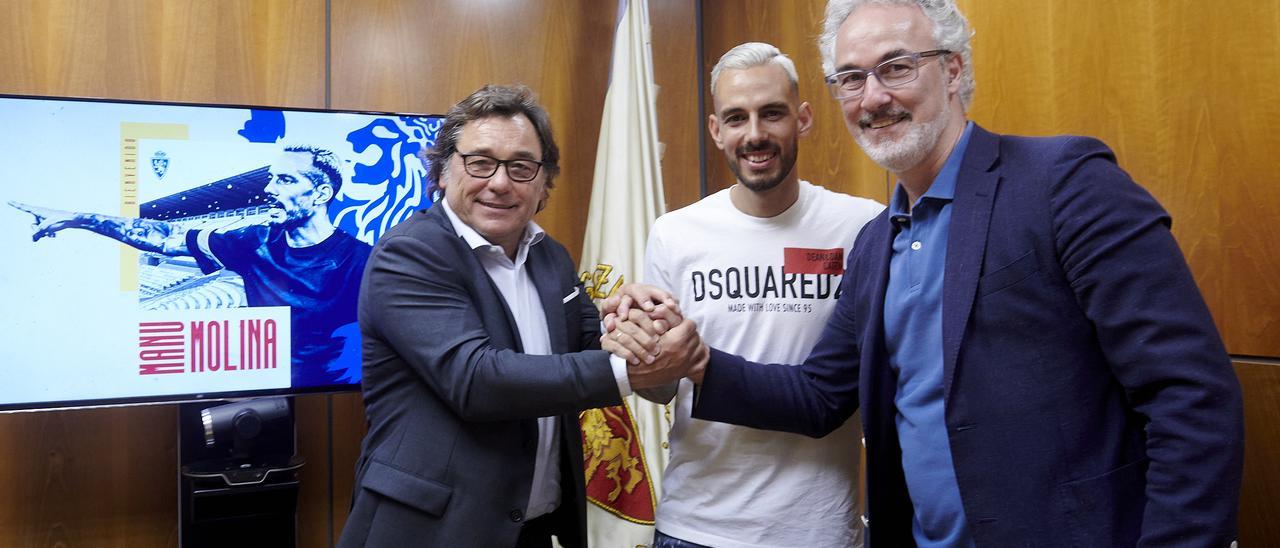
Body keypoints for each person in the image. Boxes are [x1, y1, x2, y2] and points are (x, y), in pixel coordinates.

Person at [607, 1, 1245, 546]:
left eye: (896, 67)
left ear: (954, 69)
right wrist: (696, 361)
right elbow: (820, 397)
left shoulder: (1063, 184)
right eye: (852, 78)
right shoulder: (876, 244)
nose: (874, 97)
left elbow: (1191, 396)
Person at [336, 84, 704, 548]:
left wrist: (643, 332)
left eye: (521, 167)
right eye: (480, 162)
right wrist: (630, 369)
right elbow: (477, 381)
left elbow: (599, 351)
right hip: (428, 530)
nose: (500, 182)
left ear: (543, 180)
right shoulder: (408, 255)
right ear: (445, 170)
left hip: (530, 530)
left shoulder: (551, 257)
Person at [637, 42, 882, 548]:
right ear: (715, 130)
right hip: (697, 527)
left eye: (772, 113)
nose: (754, 135)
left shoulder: (863, 226)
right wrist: (638, 349)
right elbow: (658, 390)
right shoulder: (674, 234)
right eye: (736, 118)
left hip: (818, 530)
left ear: (804, 118)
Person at [8, 145, 371, 387]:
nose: (270, 189)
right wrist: (79, 218)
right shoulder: (254, 241)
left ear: (322, 194)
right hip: (259, 386)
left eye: (286, 179)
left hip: (328, 398)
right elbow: (167, 238)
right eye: (272, 177)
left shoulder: (362, 261)